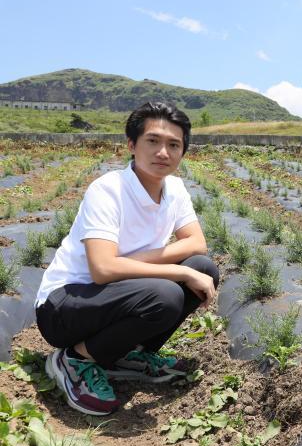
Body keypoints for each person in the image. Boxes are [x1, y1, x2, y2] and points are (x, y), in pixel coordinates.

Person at [35, 102, 219, 416]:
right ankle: (74, 360)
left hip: (114, 296)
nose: (163, 151)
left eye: (174, 144)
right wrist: (175, 271)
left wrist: (139, 260)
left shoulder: (174, 189)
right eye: (153, 141)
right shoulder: (109, 189)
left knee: (203, 268)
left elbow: (196, 243)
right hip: (64, 306)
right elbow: (103, 269)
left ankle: (128, 354)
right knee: (167, 293)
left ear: (183, 152)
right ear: (132, 145)